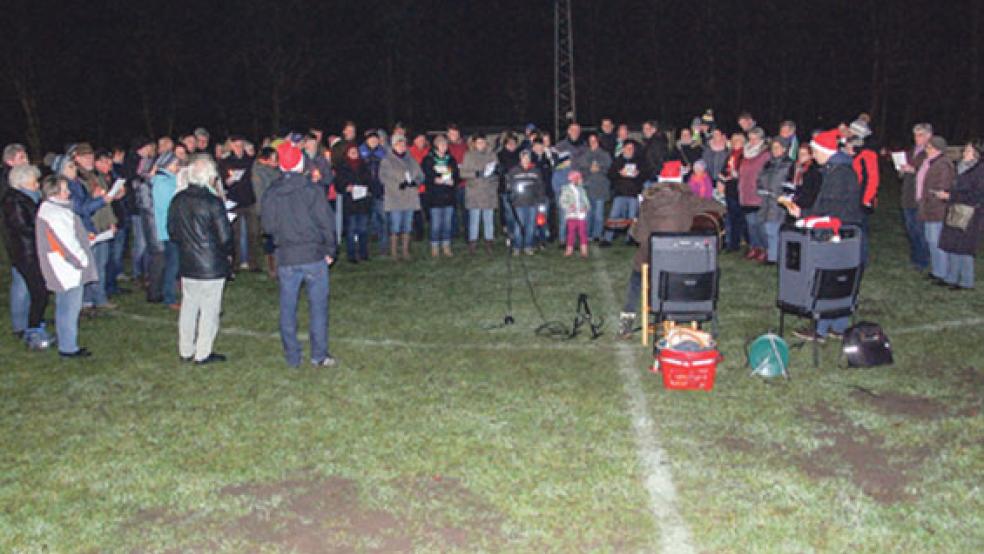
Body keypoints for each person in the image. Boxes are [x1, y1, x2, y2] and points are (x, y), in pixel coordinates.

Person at [617, 161, 725, 338]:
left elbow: (640, 236)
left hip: (652, 260)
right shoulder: (688, 200)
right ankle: (694, 317)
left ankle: (626, 321)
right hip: (680, 261)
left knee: (637, 275)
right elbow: (719, 208)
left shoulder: (647, 202)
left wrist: (635, 227)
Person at [261, 141, 337, 368]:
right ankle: (319, 355)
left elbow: (268, 226)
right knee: (318, 307)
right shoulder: (311, 189)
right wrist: (330, 248)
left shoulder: (272, 192)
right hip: (312, 255)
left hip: (287, 257)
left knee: (287, 307)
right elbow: (326, 222)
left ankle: (293, 356)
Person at [785, 129, 864, 342]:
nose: (813, 155)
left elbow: (830, 208)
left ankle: (823, 328)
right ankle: (835, 325)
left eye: (815, 150)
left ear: (824, 150)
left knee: (830, 276)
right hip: (839, 229)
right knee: (836, 277)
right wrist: (803, 213)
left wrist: (807, 216)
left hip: (839, 231)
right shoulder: (834, 170)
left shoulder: (839, 173)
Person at [167, 155, 233, 365]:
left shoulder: (178, 199)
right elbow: (225, 236)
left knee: (189, 306)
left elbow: (172, 232)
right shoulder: (212, 202)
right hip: (211, 263)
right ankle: (203, 352)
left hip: (188, 261)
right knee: (209, 309)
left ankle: (185, 349)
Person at [36, 174, 97, 358]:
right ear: (55, 192)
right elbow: (66, 244)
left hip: (62, 266)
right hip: (66, 269)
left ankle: (66, 343)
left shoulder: (51, 210)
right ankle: (69, 348)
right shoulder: (57, 214)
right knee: (69, 308)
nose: (68, 192)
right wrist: (82, 261)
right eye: (64, 189)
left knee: (64, 307)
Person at [2, 164, 52, 349]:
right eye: (34, 180)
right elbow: (23, 228)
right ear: (23, 182)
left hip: (33, 251)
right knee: (39, 291)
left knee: (38, 290)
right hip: (26, 253)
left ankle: (35, 324)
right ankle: (32, 330)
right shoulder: (14, 201)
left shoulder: (31, 199)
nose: (37, 184)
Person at [65, 145, 120, 311]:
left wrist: (111, 219)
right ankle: (91, 299)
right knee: (91, 265)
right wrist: (99, 199)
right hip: (88, 226)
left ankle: (94, 299)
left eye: (90, 155)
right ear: (75, 158)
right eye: (84, 156)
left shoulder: (93, 176)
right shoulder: (75, 181)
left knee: (98, 265)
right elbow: (81, 206)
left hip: (99, 226)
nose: (89, 159)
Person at [938, 142, 984, 290]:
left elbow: (977, 195)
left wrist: (951, 195)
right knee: (952, 244)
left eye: (968, 150)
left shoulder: (979, 171)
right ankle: (951, 277)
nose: (964, 152)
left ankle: (966, 281)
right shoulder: (962, 167)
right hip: (956, 209)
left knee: (964, 247)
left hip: (970, 213)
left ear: (977, 153)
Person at [917, 135, 957, 283]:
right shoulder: (931, 162)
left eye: (928, 147)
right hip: (928, 208)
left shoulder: (943, 164)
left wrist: (932, 199)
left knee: (937, 242)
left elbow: (944, 187)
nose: (926, 149)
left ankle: (943, 273)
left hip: (937, 209)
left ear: (936, 149)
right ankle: (936, 270)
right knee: (930, 240)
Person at [379, 134, 423, 261]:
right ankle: (394, 252)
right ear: (393, 145)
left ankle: (405, 251)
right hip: (395, 198)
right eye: (399, 144)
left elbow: (420, 175)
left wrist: (416, 182)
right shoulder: (387, 160)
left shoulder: (411, 160)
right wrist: (399, 184)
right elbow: (383, 177)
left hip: (410, 198)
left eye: (403, 144)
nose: (402, 146)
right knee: (396, 226)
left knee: (407, 225)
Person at [148, 153, 181, 309]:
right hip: (169, 229)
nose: (178, 167)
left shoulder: (169, 180)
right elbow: (168, 207)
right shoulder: (163, 183)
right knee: (172, 264)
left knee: (173, 263)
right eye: (175, 164)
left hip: (172, 227)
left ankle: (169, 292)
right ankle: (169, 297)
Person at [899, 123, 933, 271]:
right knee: (910, 229)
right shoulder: (911, 151)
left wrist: (914, 170)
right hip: (908, 195)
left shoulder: (930, 152)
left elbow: (931, 174)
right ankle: (915, 257)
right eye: (915, 135)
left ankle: (923, 260)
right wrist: (902, 170)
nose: (916, 138)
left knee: (920, 230)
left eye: (920, 135)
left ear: (928, 136)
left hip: (921, 198)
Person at [221, 135, 257, 272]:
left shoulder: (249, 160)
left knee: (253, 232)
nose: (239, 148)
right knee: (235, 234)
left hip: (249, 199)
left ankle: (252, 262)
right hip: (234, 201)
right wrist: (228, 181)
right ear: (231, 146)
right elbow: (222, 180)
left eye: (241, 145)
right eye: (236, 145)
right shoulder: (225, 161)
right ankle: (235, 264)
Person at [755, 140, 794, 264]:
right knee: (765, 228)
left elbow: (790, 183)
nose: (775, 150)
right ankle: (771, 253)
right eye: (773, 147)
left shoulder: (789, 165)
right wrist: (761, 188)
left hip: (779, 202)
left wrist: (782, 196)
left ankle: (774, 258)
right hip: (766, 201)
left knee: (773, 229)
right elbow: (760, 178)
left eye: (778, 147)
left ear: (784, 149)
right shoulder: (768, 164)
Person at [422, 135, 460, 257]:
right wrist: (434, 180)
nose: (444, 146)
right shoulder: (429, 160)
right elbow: (426, 176)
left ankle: (446, 246)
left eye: (445, 144)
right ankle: (435, 247)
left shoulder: (451, 160)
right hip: (434, 197)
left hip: (449, 196)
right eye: (441, 144)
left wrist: (453, 181)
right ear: (435, 146)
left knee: (447, 223)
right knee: (436, 224)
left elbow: (456, 175)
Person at [460, 135, 499, 254]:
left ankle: (489, 243)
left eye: (483, 142)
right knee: (474, 219)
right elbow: (462, 173)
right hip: (474, 192)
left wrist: (493, 174)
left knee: (489, 220)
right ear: (474, 144)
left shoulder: (492, 155)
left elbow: (497, 171)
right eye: (478, 142)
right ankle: (473, 243)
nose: (481, 145)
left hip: (488, 191)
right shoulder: (468, 155)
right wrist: (476, 173)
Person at [602, 140, 645, 246]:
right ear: (623, 149)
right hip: (620, 193)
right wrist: (619, 173)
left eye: (631, 148)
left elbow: (645, 174)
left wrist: (638, 174)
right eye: (627, 148)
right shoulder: (617, 161)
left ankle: (630, 238)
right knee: (614, 216)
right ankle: (607, 238)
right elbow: (610, 175)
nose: (629, 150)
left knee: (632, 217)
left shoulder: (639, 161)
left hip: (633, 193)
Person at [335, 144, 372, 263]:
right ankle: (351, 255)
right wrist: (346, 187)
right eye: (351, 152)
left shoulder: (363, 165)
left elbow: (369, 180)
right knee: (351, 230)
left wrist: (367, 188)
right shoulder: (342, 167)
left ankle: (363, 253)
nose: (354, 153)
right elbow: (338, 184)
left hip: (363, 202)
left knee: (363, 229)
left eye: (355, 151)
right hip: (350, 203)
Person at [738, 127, 770, 261]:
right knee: (750, 224)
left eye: (755, 138)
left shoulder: (765, 155)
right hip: (746, 193)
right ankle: (754, 247)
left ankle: (765, 248)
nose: (752, 141)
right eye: (750, 138)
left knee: (760, 224)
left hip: (758, 194)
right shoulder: (745, 154)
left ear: (761, 139)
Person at [505, 150, 546, 255]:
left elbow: (540, 187)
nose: (526, 160)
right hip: (518, 203)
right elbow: (509, 186)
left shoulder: (536, 171)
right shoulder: (514, 171)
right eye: (524, 157)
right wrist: (512, 198)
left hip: (533, 203)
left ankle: (528, 245)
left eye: (527, 158)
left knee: (531, 225)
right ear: (520, 158)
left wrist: (540, 200)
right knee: (519, 225)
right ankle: (517, 247)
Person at [251, 146, 280, 276]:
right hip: (267, 209)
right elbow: (261, 193)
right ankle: (272, 266)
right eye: (274, 158)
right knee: (270, 238)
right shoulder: (258, 172)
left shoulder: (275, 171)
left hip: (276, 208)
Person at [578, 133, 613, 241]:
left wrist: (600, 168)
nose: (593, 143)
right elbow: (581, 167)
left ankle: (597, 234)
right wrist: (589, 169)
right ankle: (587, 234)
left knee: (599, 214)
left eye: (595, 140)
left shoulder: (605, 154)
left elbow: (609, 168)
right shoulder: (585, 154)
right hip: (588, 188)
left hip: (601, 188)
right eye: (591, 141)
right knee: (588, 213)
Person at [360, 131, 389, 256]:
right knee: (365, 222)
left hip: (380, 191)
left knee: (383, 220)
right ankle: (364, 248)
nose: (373, 142)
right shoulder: (360, 153)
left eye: (375, 140)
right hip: (364, 191)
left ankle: (384, 248)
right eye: (371, 140)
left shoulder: (383, 153)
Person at [718, 133, 747, 252]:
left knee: (739, 217)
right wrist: (722, 177)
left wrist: (736, 175)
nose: (736, 143)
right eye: (734, 140)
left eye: (738, 140)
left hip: (740, 190)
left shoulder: (745, 155)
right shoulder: (730, 155)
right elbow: (724, 170)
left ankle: (739, 242)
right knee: (731, 217)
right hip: (729, 189)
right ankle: (732, 243)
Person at [558, 170, 590, 258]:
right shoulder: (566, 189)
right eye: (579, 178)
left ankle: (584, 250)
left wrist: (586, 207)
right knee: (570, 233)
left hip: (581, 215)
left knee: (582, 232)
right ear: (574, 179)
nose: (581, 180)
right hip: (571, 215)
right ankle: (569, 250)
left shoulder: (582, 189)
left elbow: (586, 201)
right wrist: (569, 207)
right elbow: (562, 202)